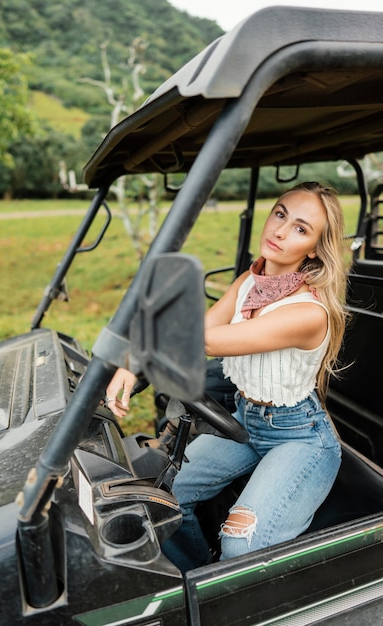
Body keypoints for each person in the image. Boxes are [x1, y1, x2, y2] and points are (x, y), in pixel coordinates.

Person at [105, 181, 347, 573]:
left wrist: (133, 356)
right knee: (163, 498)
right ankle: (200, 579)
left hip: (300, 436)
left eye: (301, 229)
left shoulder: (308, 312)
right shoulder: (250, 282)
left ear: (316, 248)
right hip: (244, 422)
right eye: (280, 214)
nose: (280, 230)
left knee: (240, 543)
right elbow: (201, 326)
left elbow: (206, 341)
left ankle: (229, 592)